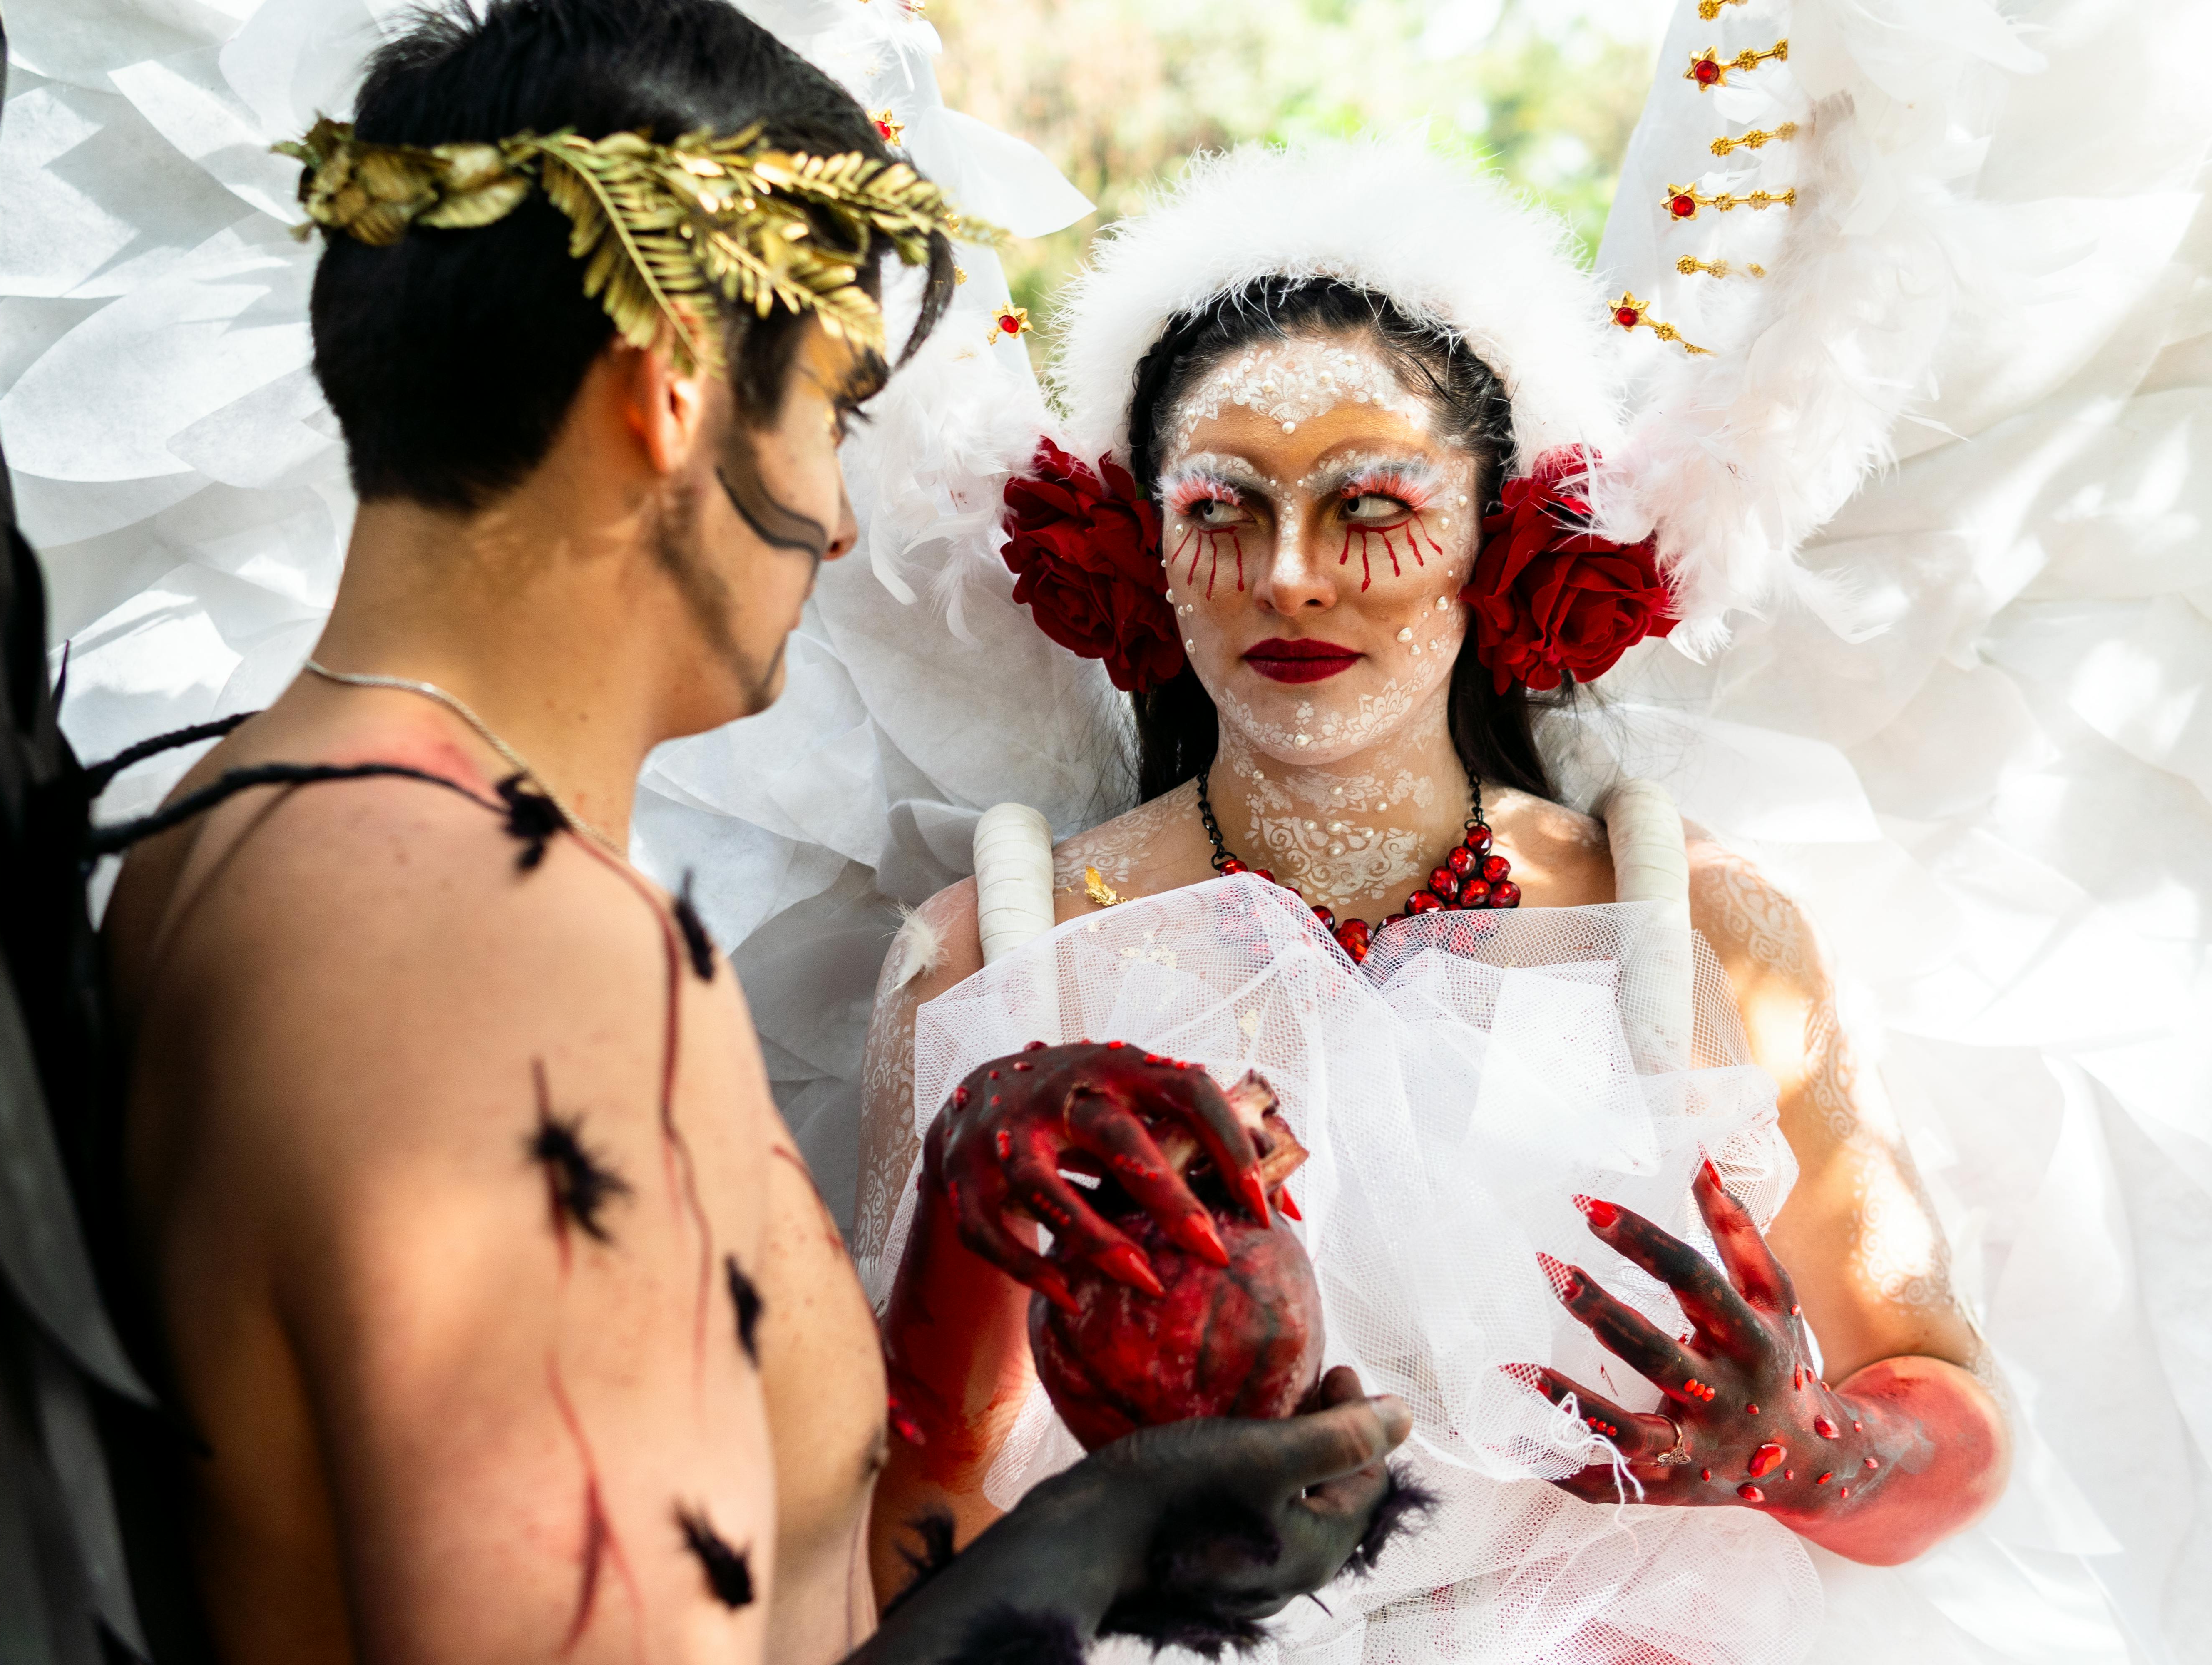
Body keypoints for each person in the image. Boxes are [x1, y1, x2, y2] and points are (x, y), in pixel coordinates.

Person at [99, 2, 1417, 1661]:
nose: (845, 514)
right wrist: (1089, 1545)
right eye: (834, 412)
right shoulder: (510, 945)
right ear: (673, 398)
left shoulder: (253, 830)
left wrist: (966, 1221)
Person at [855, 142, 2024, 1659]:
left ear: (1499, 538)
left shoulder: (1695, 926)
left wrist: (1812, 1453)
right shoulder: (1000, 960)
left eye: (1371, 508)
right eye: (1222, 511)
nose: (1290, 577)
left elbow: (1945, 1406)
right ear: (1144, 547)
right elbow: (884, 1505)